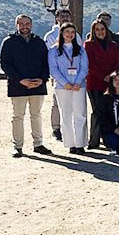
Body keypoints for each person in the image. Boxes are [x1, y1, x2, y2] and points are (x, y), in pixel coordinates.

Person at [1, 14, 53, 157]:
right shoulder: (9, 42)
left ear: (31, 25)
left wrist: (42, 79)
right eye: (21, 23)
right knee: (18, 116)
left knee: (36, 116)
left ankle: (38, 144)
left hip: (38, 85)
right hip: (17, 85)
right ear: (16, 25)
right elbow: (5, 64)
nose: (25, 26)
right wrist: (21, 80)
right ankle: (17, 147)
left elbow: (46, 63)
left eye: (27, 23)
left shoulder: (39, 42)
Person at [48, 22, 89, 154]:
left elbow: (84, 67)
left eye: (72, 32)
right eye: (67, 32)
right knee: (66, 115)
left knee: (80, 114)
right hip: (62, 87)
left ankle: (80, 143)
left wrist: (78, 82)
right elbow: (53, 69)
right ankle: (71, 144)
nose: (70, 35)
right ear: (62, 33)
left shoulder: (81, 50)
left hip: (79, 86)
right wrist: (64, 82)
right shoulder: (53, 51)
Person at [84, 19, 119, 150]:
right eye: (97, 30)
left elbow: (118, 62)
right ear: (93, 31)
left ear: (106, 30)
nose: (100, 32)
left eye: (102, 29)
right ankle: (94, 141)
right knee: (97, 111)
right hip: (95, 82)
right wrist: (103, 76)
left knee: (109, 112)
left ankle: (108, 139)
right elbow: (89, 64)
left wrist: (111, 76)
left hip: (110, 83)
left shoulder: (114, 45)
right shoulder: (88, 45)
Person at [44, 9, 81, 141]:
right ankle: (56, 128)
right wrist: (52, 76)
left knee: (74, 103)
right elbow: (49, 57)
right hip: (59, 75)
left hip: (75, 75)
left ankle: (72, 128)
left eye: (67, 16)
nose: (65, 18)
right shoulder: (50, 36)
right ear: (57, 18)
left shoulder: (76, 35)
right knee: (57, 102)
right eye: (62, 16)